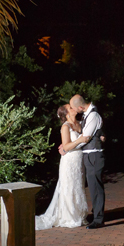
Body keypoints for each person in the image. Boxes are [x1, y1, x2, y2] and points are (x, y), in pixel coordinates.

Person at [35, 104, 91, 230]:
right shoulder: (65, 127)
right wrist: (79, 140)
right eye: (70, 108)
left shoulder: (80, 123)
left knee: (78, 186)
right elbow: (66, 147)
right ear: (66, 113)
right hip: (69, 161)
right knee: (69, 187)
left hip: (79, 160)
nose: (74, 108)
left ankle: (79, 215)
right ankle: (69, 217)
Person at [70, 93, 106, 229]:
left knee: (95, 186)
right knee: (92, 186)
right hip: (90, 154)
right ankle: (96, 215)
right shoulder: (88, 114)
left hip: (94, 155)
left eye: (74, 108)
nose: (75, 111)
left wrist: (69, 148)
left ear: (80, 106)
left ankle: (99, 219)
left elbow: (86, 137)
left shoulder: (93, 115)